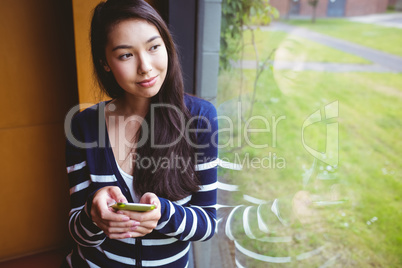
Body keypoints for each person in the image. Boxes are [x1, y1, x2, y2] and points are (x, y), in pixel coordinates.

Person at [63, 0, 218, 267]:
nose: (145, 66)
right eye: (126, 55)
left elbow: (207, 225)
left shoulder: (200, 119)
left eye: (154, 47)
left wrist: (164, 214)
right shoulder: (84, 125)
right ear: (106, 63)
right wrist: (92, 214)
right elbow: (79, 233)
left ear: (167, 46)